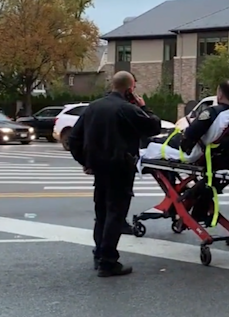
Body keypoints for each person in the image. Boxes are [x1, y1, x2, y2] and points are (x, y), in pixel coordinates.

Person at [68, 71, 162, 277]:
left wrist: (85, 162)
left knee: (101, 213)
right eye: (133, 89)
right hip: (120, 167)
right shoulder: (127, 109)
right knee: (115, 214)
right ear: (129, 90)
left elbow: (73, 139)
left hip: (99, 169)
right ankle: (108, 261)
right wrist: (143, 106)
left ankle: (99, 253)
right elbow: (154, 126)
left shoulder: (92, 108)